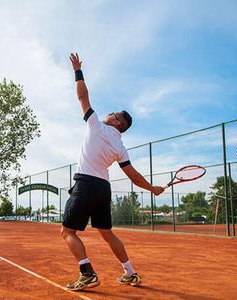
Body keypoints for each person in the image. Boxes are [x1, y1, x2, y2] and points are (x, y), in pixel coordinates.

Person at [61, 53, 164, 291]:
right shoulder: (121, 147)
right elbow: (133, 176)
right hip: (102, 189)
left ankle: (86, 273)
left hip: (85, 184)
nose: (109, 114)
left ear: (118, 123)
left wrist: (77, 71)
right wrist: (152, 189)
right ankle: (130, 272)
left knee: (68, 232)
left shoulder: (96, 124)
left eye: (113, 115)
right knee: (107, 233)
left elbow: (82, 96)